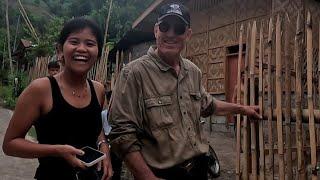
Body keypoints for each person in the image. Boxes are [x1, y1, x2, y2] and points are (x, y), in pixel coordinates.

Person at [108, 2, 261, 180]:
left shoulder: (193, 71)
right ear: (156, 30)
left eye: (179, 28)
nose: (171, 34)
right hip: (161, 173)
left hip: (199, 168)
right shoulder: (134, 73)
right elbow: (122, 134)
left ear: (188, 34)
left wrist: (242, 109)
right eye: (165, 26)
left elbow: (208, 105)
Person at [3, 17, 113, 180]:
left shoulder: (98, 90)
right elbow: (10, 145)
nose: (82, 49)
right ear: (60, 50)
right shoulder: (40, 89)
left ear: (98, 53)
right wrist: (56, 151)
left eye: (90, 44)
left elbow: (96, 128)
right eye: (74, 42)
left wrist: (104, 146)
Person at [102, 91, 123, 180]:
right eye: (109, 100)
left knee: (116, 168)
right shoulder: (103, 114)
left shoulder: (120, 115)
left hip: (115, 143)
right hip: (106, 143)